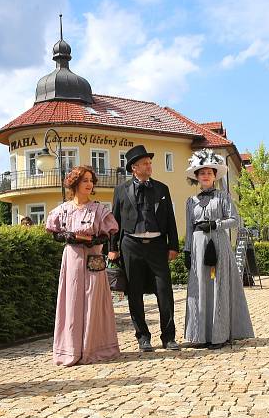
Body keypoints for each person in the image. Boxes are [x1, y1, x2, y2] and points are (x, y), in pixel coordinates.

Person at [45, 165, 120, 365]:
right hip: (72, 260)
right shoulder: (63, 210)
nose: (89, 184)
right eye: (85, 180)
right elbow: (53, 233)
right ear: (75, 183)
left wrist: (95, 240)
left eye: (90, 180)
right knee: (72, 300)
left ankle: (94, 348)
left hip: (94, 257)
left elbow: (109, 232)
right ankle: (71, 349)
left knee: (94, 300)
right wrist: (68, 236)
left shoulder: (99, 209)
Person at [108, 145, 180, 352]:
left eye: (150, 162)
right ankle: (143, 337)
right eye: (145, 163)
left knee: (164, 291)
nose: (150, 166)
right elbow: (115, 220)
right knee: (135, 291)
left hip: (157, 245)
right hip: (131, 245)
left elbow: (170, 219)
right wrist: (112, 247)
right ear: (134, 168)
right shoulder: (120, 190)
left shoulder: (162, 188)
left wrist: (173, 245)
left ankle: (169, 337)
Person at [182, 149, 253, 349]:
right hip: (197, 246)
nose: (206, 176)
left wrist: (215, 225)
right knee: (199, 289)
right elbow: (189, 228)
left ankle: (218, 335)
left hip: (218, 245)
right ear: (196, 176)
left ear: (214, 176)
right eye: (202, 173)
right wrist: (187, 251)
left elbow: (235, 220)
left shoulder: (223, 197)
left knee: (216, 286)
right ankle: (199, 335)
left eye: (209, 173)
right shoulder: (191, 202)